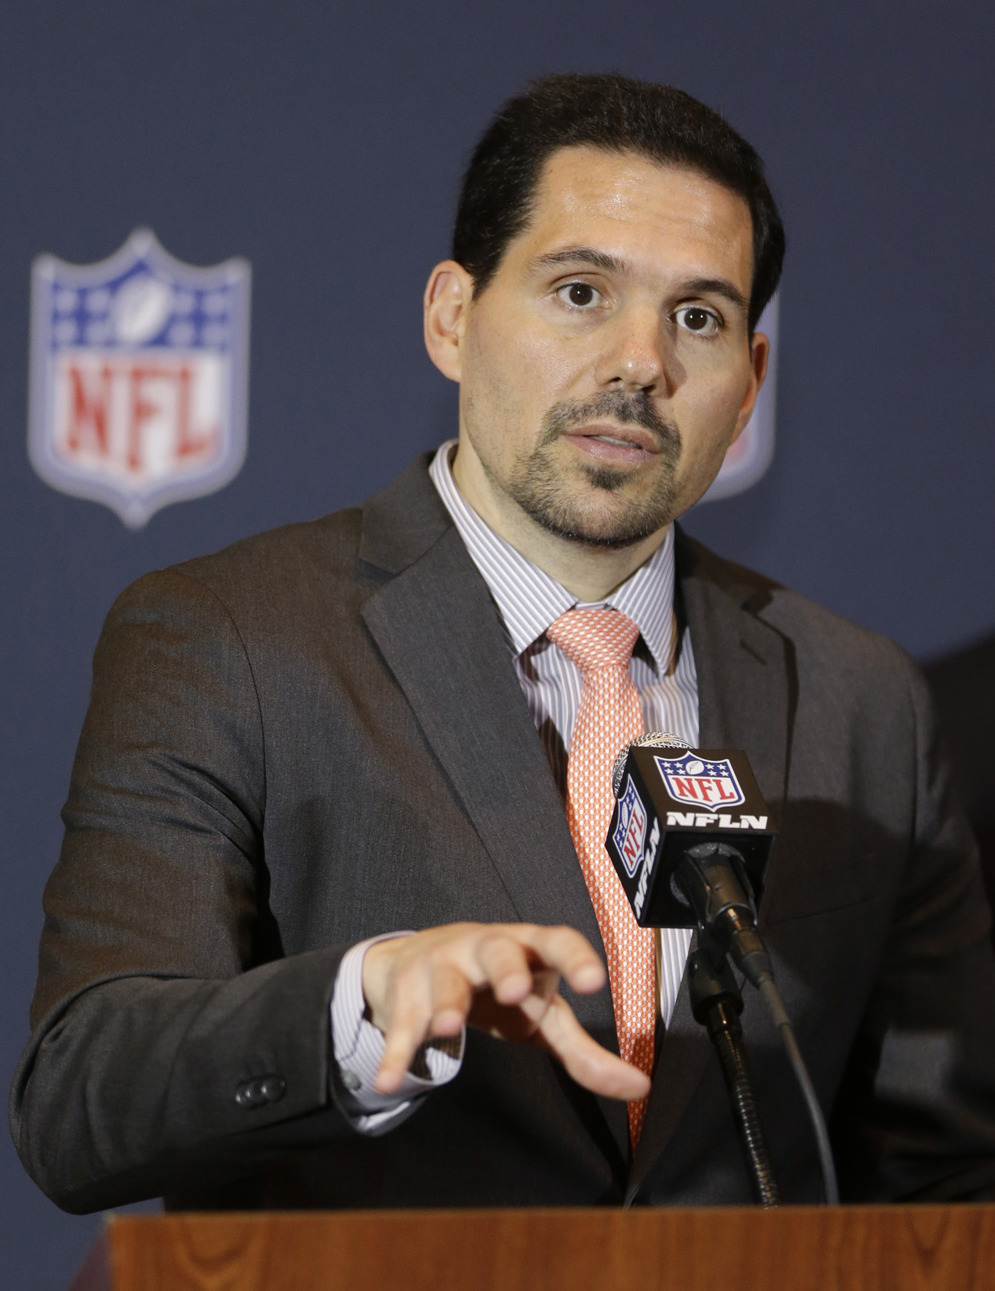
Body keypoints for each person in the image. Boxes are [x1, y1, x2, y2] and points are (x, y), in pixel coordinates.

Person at [11, 73, 995, 1213]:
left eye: (697, 317)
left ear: (749, 381)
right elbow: (81, 1097)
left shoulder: (856, 695)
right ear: (451, 318)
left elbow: (948, 1173)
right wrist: (362, 1002)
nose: (640, 364)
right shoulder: (226, 635)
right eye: (580, 291)